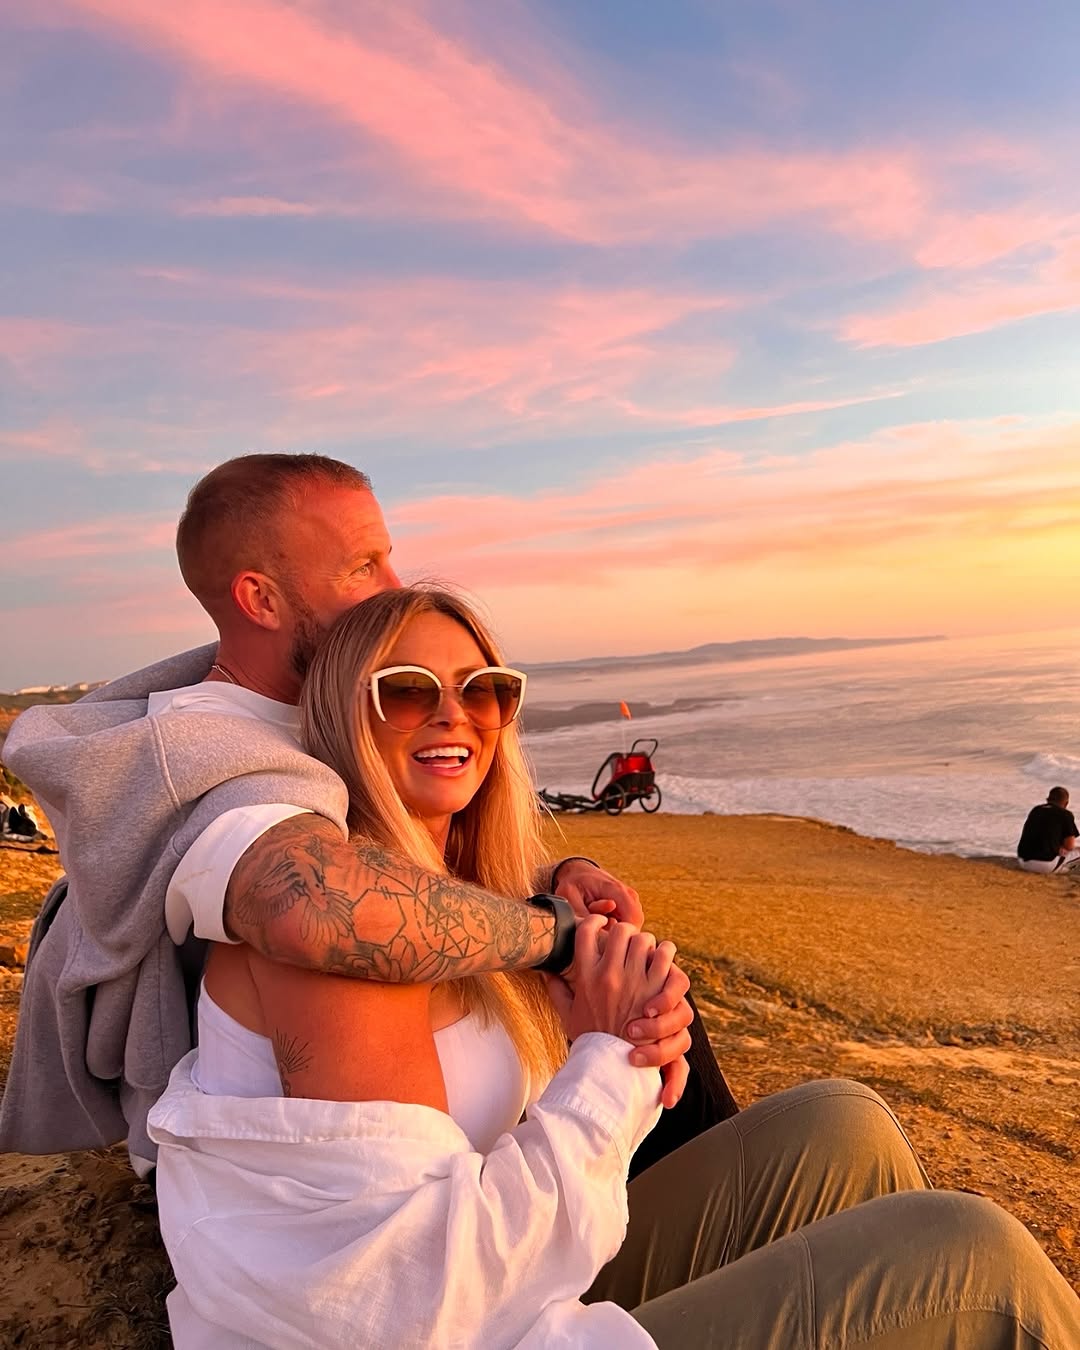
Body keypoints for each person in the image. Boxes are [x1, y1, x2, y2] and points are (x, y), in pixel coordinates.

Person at [149, 586, 1080, 1348]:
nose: (454, 714)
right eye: (406, 689)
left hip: (513, 1293)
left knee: (845, 1120)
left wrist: (601, 979)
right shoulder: (349, 938)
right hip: (450, 1321)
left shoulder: (464, 899)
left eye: (485, 690)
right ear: (343, 712)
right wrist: (607, 1059)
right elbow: (409, 1309)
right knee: (971, 1256)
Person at [0, 452, 716, 1177]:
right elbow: (322, 902)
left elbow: (401, 844)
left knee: (657, 1005)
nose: (395, 586)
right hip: (290, 1149)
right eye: (363, 566)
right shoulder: (204, 748)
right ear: (263, 600)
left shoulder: (294, 711)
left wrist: (556, 872)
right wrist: (562, 938)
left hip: (383, 1095)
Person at [1016, 786, 1080, 873]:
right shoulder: (1065, 815)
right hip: (1044, 865)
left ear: (1047, 799)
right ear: (1066, 803)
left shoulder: (1036, 810)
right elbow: (1069, 846)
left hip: (1023, 861)